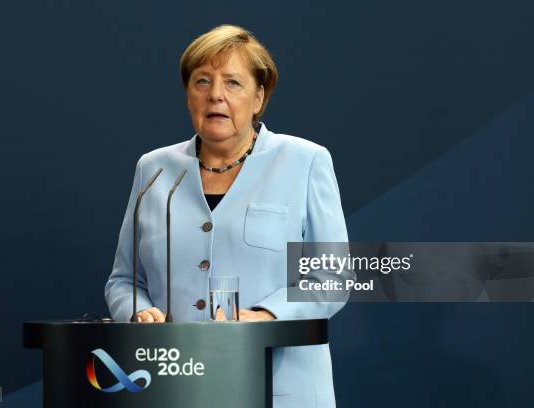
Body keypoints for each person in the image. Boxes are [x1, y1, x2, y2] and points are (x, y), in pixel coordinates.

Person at [105, 24, 353, 408]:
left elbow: (332, 275)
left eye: (233, 83)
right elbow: (124, 279)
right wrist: (138, 314)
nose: (215, 95)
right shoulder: (152, 169)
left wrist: (269, 314)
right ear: (188, 96)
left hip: (279, 390)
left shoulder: (305, 161)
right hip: (174, 387)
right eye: (202, 81)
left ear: (259, 97)